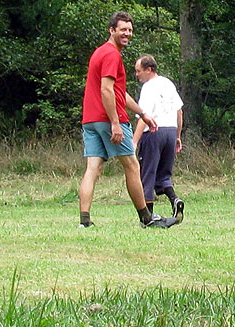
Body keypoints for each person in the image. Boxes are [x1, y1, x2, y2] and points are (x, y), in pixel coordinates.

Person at [78, 11, 174, 229]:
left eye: (130, 30)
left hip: (90, 120)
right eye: (123, 29)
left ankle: (84, 221)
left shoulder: (99, 53)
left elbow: (119, 93)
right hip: (108, 118)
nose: (127, 34)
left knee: (93, 167)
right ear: (112, 30)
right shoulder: (112, 55)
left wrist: (143, 113)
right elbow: (106, 90)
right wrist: (114, 122)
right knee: (132, 165)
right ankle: (147, 218)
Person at [132, 55, 185, 224]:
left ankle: (148, 216)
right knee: (164, 174)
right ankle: (175, 200)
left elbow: (144, 116)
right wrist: (177, 136)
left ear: (149, 70)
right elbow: (179, 112)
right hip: (170, 130)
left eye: (138, 71)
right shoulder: (168, 83)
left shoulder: (149, 87)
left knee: (147, 173)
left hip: (153, 132)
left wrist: (134, 141)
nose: (136, 75)